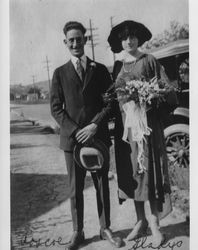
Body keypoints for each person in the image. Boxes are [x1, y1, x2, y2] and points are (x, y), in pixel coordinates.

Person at [50, 21, 122, 249]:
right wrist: (76, 131)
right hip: (72, 142)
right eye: (70, 40)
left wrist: (94, 125)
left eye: (79, 39)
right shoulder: (59, 73)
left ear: (86, 40)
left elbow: (110, 103)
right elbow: (56, 109)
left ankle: (105, 228)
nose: (75, 43)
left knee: (102, 185)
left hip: (97, 137)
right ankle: (77, 231)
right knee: (75, 188)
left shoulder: (99, 70)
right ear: (65, 43)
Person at [108, 20, 177, 247]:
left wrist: (150, 97)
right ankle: (140, 221)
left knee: (151, 172)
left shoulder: (150, 61)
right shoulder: (118, 67)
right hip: (128, 131)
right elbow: (113, 98)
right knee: (133, 173)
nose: (130, 40)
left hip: (148, 128)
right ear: (120, 41)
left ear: (139, 38)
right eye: (125, 37)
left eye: (134, 36)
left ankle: (155, 224)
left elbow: (167, 90)